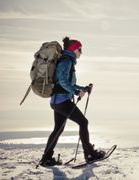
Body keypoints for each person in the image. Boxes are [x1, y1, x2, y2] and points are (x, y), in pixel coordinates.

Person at [40, 37, 105, 167]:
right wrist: (76, 92)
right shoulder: (66, 61)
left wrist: (83, 88)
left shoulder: (66, 60)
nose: (81, 52)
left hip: (56, 101)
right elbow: (63, 82)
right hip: (62, 101)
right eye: (80, 49)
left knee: (58, 129)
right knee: (83, 122)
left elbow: (67, 83)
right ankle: (90, 154)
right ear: (74, 49)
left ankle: (46, 158)